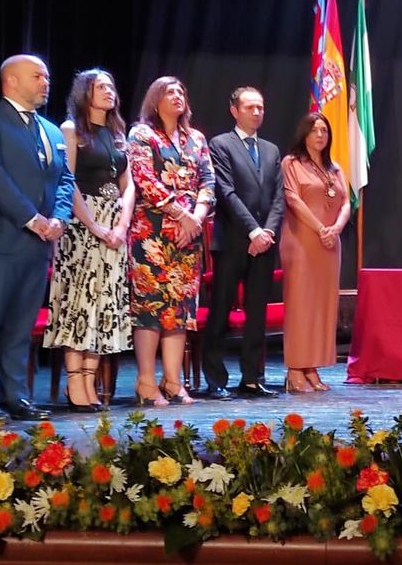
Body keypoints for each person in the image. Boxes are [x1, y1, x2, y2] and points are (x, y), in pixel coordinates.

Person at [0, 54, 74, 422]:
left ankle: (15, 396)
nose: (46, 82)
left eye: (46, 76)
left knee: (20, 324)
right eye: (37, 76)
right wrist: (31, 218)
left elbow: (64, 181)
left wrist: (58, 217)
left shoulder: (52, 130)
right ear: (11, 81)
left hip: (38, 243)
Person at [44, 69, 134, 412]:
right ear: (85, 93)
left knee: (103, 302)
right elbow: (69, 180)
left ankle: (91, 378)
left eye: (112, 86)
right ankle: (75, 381)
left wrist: (121, 224)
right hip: (83, 224)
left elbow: (129, 185)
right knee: (80, 301)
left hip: (115, 223)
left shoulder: (117, 132)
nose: (109, 92)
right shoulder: (71, 130)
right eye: (101, 87)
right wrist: (95, 226)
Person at [127, 77, 215, 407]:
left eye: (181, 91)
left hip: (187, 236)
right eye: (169, 92)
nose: (177, 96)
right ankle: (146, 382)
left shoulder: (196, 139)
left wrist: (197, 215)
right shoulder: (142, 134)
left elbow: (208, 180)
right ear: (154, 100)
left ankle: (173, 381)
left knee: (179, 311)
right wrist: (181, 214)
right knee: (151, 308)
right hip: (151, 234)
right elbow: (144, 180)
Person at [205, 86, 285, 399]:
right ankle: (215, 379)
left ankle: (252, 377)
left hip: (264, 243)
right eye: (250, 107)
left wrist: (267, 233)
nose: (256, 112)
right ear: (234, 110)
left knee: (256, 314)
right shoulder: (220, 145)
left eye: (260, 107)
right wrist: (253, 232)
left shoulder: (271, 149)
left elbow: (279, 197)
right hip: (233, 242)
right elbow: (225, 192)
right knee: (221, 310)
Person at [280, 112, 350, 393]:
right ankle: (295, 367)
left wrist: (336, 229)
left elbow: (346, 202)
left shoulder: (335, 168)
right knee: (301, 305)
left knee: (322, 306)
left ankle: (312, 366)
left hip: (330, 244)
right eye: (315, 130)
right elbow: (292, 199)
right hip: (302, 240)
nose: (320, 135)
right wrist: (322, 228)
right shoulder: (292, 164)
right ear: (304, 134)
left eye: (324, 130)